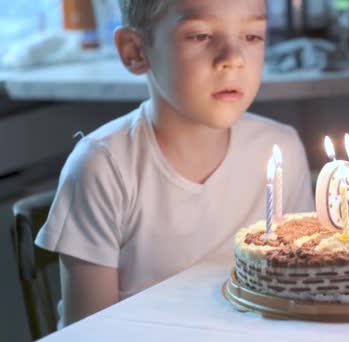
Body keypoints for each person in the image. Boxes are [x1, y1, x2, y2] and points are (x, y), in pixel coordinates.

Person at [35, 0, 313, 328]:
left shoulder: (280, 150)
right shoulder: (102, 167)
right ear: (135, 51)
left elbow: (300, 300)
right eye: (200, 36)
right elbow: (89, 332)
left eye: (252, 36)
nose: (233, 59)